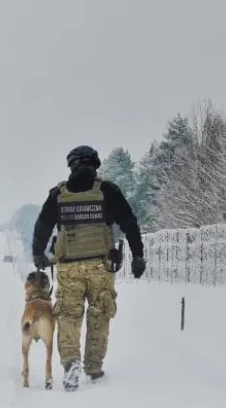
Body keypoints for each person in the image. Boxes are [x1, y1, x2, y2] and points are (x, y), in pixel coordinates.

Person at [31, 145, 145, 391]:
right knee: (99, 315)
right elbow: (129, 222)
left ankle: (71, 362)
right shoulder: (107, 191)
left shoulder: (58, 194)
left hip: (68, 268)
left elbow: (42, 225)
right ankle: (93, 368)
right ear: (95, 164)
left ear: (71, 165)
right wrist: (138, 255)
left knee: (69, 317)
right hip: (100, 267)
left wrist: (38, 254)